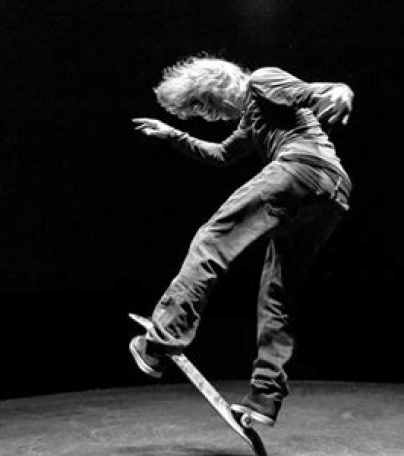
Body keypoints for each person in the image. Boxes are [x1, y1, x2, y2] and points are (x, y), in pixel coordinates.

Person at [129, 55, 353, 427]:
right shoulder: (252, 118)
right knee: (277, 293)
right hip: (332, 194)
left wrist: (339, 92)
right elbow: (221, 155)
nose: (209, 116)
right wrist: (173, 135)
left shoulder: (262, 81)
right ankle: (264, 396)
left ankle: (161, 341)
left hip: (300, 169)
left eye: (206, 106)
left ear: (217, 85)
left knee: (212, 241)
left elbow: (315, 91)